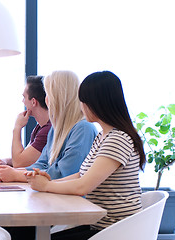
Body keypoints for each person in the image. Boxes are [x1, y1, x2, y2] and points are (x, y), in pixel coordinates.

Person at [25, 71, 145, 240]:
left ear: (98, 103)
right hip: (101, 226)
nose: (81, 106)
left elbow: (83, 186)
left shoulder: (118, 139)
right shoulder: (103, 135)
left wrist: (45, 186)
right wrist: (49, 181)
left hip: (116, 230)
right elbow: (82, 174)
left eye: (83, 102)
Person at [0, 70, 97, 183]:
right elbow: (41, 164)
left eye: (48, 94)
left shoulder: (83, 129)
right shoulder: (55, 129)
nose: (46, 99)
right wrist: (11, 171)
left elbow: (63, 173)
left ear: (58, 97)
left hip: (72, 199)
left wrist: (16, 175)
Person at [0, 75, 51, 167]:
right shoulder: (40, 127)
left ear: (33, 102)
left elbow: (19, 163)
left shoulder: (47, 130)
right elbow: (28, 159)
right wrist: (6, 161)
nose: (23, 101)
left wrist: (17, 128)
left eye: (24, 97)